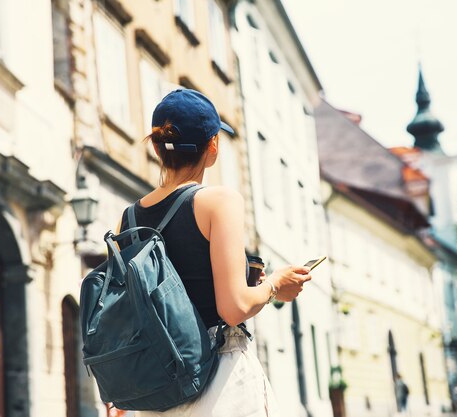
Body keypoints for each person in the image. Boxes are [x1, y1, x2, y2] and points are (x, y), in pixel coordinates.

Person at [117, 89, 312, 416]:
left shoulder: (129, 218)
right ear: (214, 146)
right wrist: (275, 284)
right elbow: (233, 308)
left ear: (155, 146)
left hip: (157, 390)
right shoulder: (219, 201)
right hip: (221, 382)